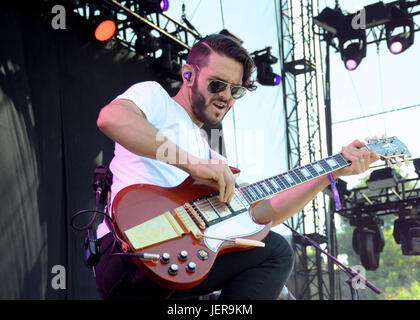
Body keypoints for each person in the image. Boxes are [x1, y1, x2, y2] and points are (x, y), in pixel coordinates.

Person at [94, 33, 378, 300]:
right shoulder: (155, 98)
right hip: (129, 253)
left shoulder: (213, 157)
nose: (226, 97)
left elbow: (261, 213)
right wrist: (194, 165)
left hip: (180, 264)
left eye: (236, 91)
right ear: (188, 73)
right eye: (217, 85)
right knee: (276, 252)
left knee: (271, 246)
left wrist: (329, 173)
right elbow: (112, 118)